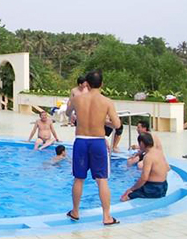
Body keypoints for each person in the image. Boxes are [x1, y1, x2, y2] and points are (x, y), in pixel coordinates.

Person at [67, 70, 121, 226]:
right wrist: (104, 120)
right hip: (97, 142)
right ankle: (106, 217)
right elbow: (117, 125)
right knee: (102, 180)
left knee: (79, 178)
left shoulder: (77, 99)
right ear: (102, 84)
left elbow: (69, 112)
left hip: (81, 141)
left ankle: (75, 212)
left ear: (87, 84)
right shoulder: (107, 102)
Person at [121, 133, 170, 201]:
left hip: (153, 188)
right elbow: (168, 168)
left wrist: (131, 189)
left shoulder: (148, 157)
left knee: (124, 197)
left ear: (142, 143)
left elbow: (144, 178)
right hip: (164, 186)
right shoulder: (159, 152)